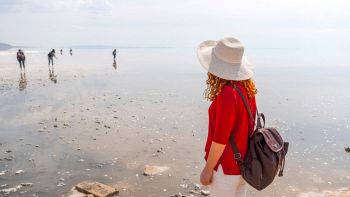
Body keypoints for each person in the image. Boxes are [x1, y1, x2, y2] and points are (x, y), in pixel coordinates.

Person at [197, 37, 257, 197]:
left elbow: (220, 139)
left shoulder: (227, 94)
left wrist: (208, 169)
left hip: (225, 168)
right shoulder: (248, 90)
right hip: (244, 164)